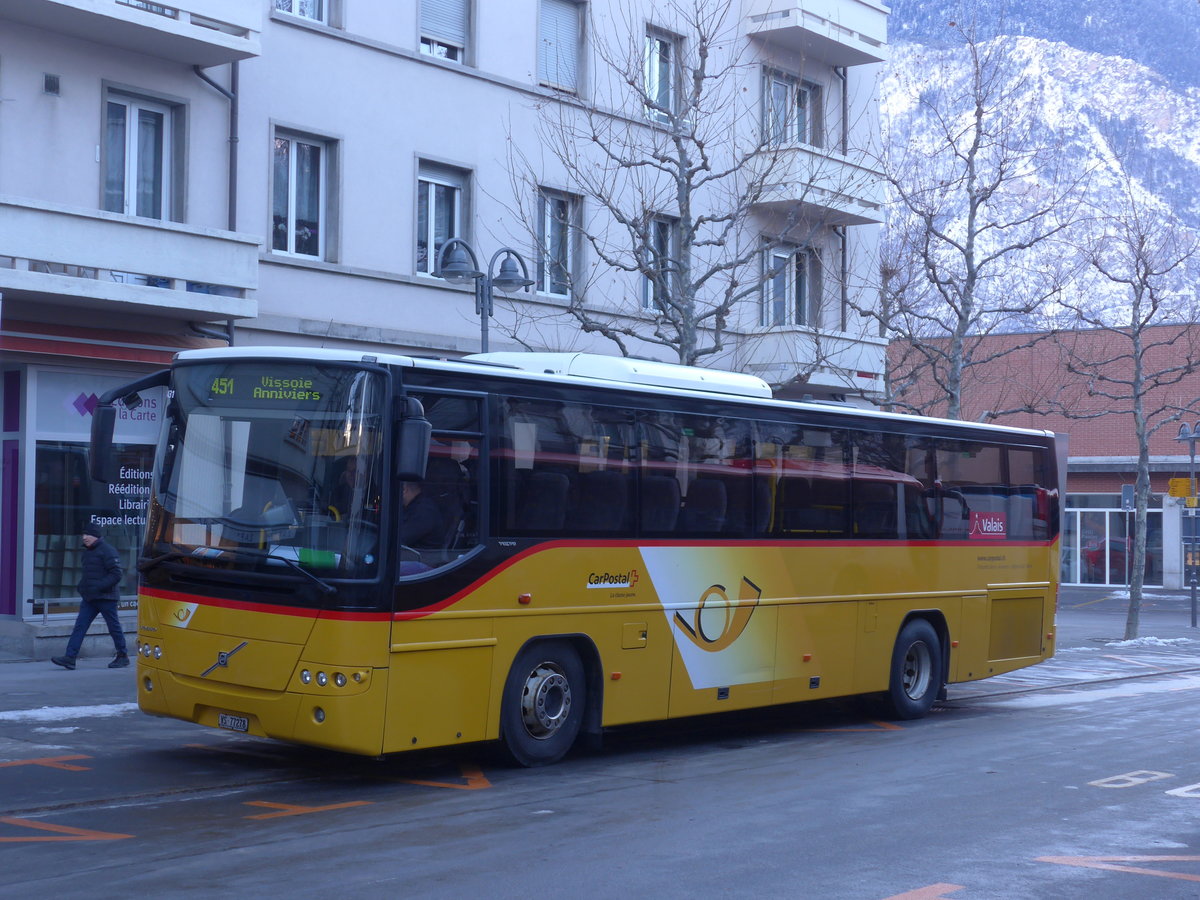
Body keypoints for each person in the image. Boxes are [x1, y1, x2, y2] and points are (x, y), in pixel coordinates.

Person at [51, 525, 129, 670]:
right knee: (80, 627)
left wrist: (99, 586)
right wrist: (82, 587)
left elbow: (116, 574)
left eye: (87, 535)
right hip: (90, 598)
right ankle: (70, 658)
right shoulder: (87, 552)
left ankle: (123, 656)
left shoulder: (108, 551)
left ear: (96, 536)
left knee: (113, 627)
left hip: (106, 597)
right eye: (83, 535)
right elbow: (88, 574)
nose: (84, 538)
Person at [401, 481, 444, 549]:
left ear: (404, 489)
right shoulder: (412, 506)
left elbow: (400, 539)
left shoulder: (424, 511)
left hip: (423, 557)